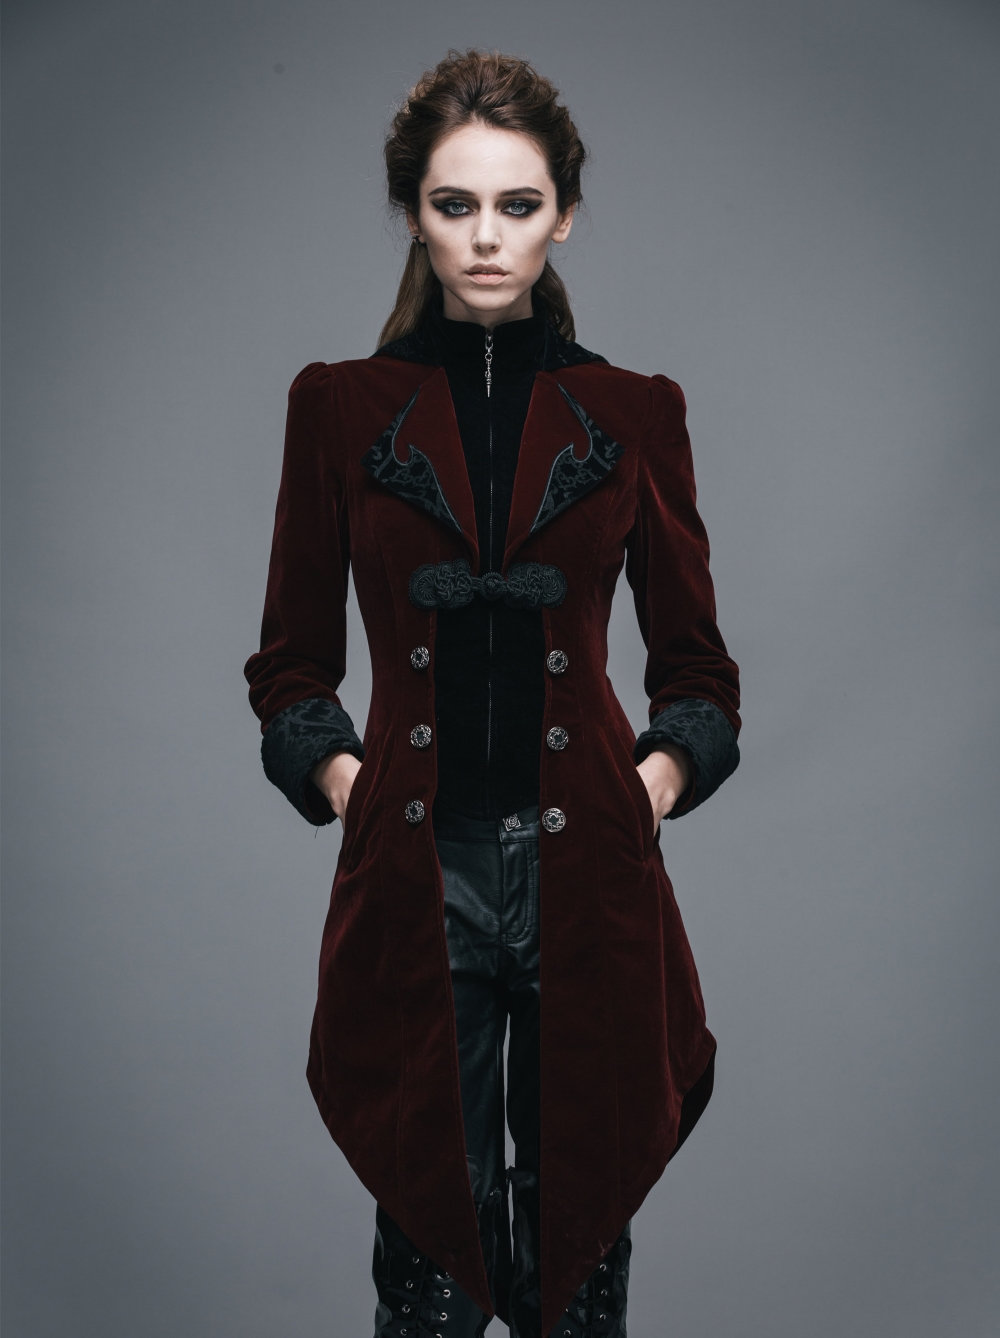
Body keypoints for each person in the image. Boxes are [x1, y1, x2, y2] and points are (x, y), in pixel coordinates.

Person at [244, 49, 740, 1338]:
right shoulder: (337, 408)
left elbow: (698, 671)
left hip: (590, 871)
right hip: (418, 871)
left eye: (518, 205)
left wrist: (649, 787)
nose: (485, 237)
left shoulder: (633, 412)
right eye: (454, 204)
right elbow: (290, 663)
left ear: (563, 214)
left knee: (578, 1258)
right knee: (430, 1260)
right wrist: (349, 785)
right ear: (413, 211)